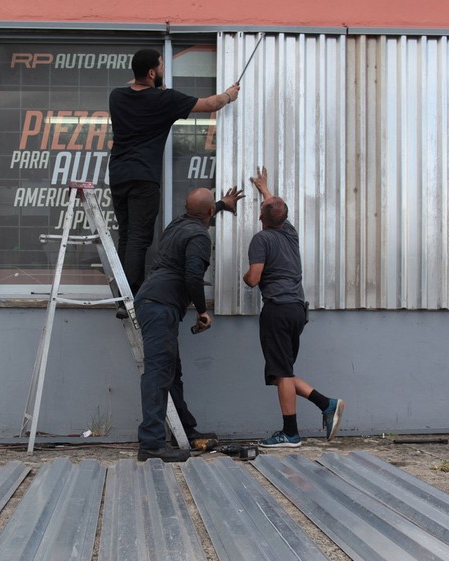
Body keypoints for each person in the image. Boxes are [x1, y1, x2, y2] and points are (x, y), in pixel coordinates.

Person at [109, 48, 240, 295]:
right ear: (151, 72)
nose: (163, 70)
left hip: (118, 175)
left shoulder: (116, 97)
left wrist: (157, 88)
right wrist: (229, 95)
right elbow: (211, 104)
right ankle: (131, 294)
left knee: (126, 235)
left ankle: (121, 293)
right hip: (143, 178)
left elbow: (143, 102)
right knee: (139, 237)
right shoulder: (164, 100)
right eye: (160, 66)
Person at [136, 186, 244, 462]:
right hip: (160, 305)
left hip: (155, 301)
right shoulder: (199, 236)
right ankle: (151, 444)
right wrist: (201, 310)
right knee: (159, 374)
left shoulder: (179, 223)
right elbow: (193, 277)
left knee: (171, 372)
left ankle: (186, 430)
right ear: (208, 213)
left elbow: (201, 211)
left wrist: (221, 204)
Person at [243, 167, 344, 447]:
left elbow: (253, 279)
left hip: (277, 309)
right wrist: (264, 189)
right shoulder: (290, 232)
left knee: (283, 373)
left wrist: (246, 276)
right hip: (297, 310)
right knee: (281, 373)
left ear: (260, 217)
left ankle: (290, 434)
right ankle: (327, 404)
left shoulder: (261, 239)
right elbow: (276, 207)